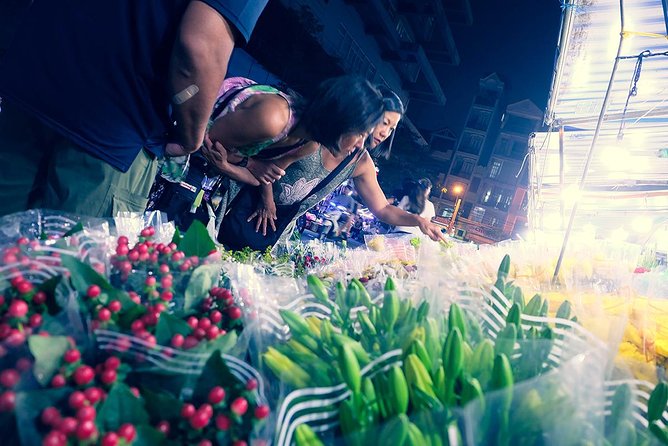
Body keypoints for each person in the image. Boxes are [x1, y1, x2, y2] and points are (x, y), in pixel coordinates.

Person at [0, 0, 268, 218]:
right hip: (114, 130)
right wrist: (190, 137)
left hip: (34, 82)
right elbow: (199, 48)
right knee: (69, 272)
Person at [149, 75, 385, 230]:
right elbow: (203, 141)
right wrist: (246, 163)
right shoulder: (273, 119)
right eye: (361, 133)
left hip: (200, 172)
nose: (361, 144)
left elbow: (259, 177)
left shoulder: (308, 144)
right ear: (340, 121)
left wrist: (231, 166)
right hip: (165, 157)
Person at [237, 85, 446, 250]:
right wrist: (267, 200)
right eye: (384, 122)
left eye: (392, 128)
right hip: (247, 204)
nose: (386, 132)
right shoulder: (320, 136)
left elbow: (382, 209)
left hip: (280, 228)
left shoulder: (361, 162)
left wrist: (419, 221)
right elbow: (270, 161)